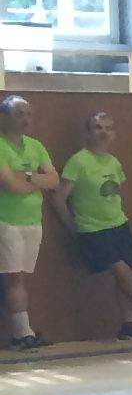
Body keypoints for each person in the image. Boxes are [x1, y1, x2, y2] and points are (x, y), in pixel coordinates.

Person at [60, 109, 132, 341]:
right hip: (93, 229)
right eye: (98, 128)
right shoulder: (78, 161)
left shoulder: (114, 162)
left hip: (118, 225)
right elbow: (59, 197)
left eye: (108, 128)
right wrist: (72, 226)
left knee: (123, 277)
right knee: (122, 272)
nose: (103, 132)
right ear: (88, 132)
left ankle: (129, 324)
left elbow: (114, 193)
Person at [0, 95, 57, 350]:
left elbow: (54, 180)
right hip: (7, 220)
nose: (25, 119)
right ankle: (23, 334)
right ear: (4, 117)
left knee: (23, 277)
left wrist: (26, 177)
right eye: (19, 114)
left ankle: (23, 330)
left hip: (33, 220)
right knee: (15, 279)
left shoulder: (36, 146)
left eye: (28, 114)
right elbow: (10, 185)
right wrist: (36, 181)